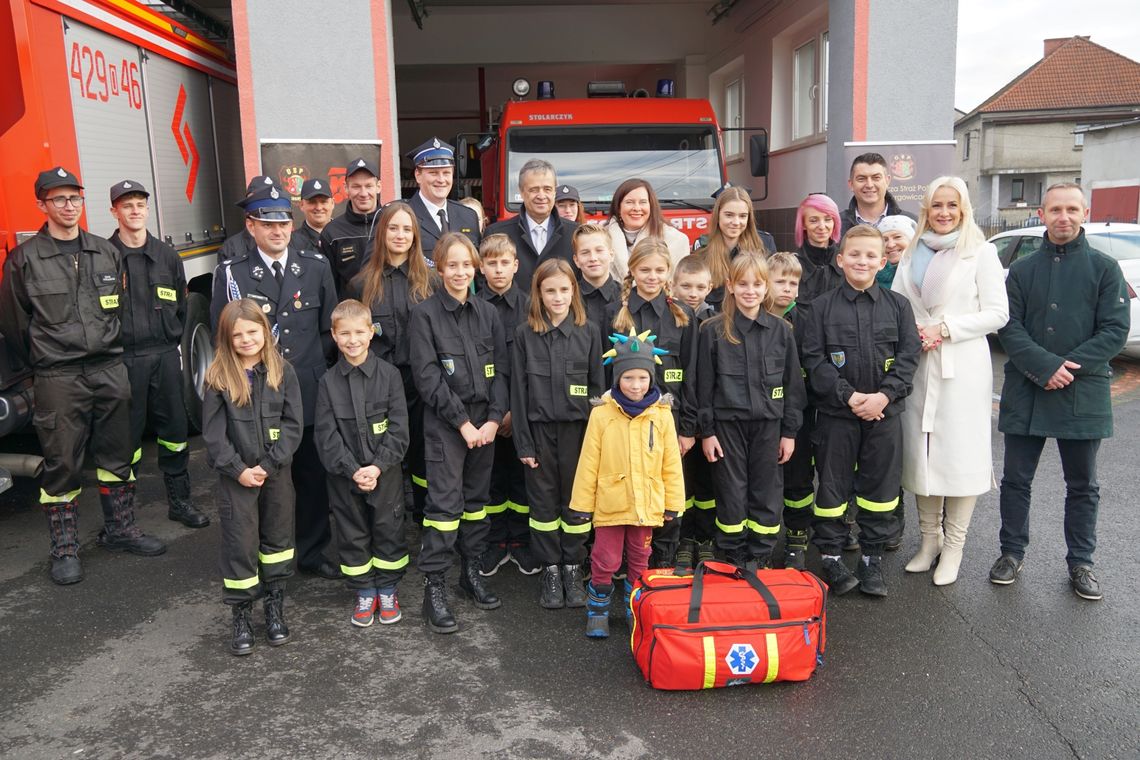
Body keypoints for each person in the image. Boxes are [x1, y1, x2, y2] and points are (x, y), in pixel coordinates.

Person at [0, 167, 165, 586]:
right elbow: (16, 325)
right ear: (43, 205)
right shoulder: (25, 260)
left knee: (117, 455)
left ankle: (121, 530)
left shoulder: (104, 252)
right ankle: (65, 548)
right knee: (63, 463)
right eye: (59, 200)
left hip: (110, 368)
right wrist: (45, 363)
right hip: (58, 376)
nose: (69, 206)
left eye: (75, 198)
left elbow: (118, 308)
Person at [990, 183, 1130, 601]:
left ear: (1084, 212)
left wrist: (1067, 367)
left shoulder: (1105, 269)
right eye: (1055, 209)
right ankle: (1011, 553)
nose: (1063, 217)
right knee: (1016, 480)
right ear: (1041, 212)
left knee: (1083, 484)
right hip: (1027, 389)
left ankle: (1081, 562)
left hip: (1081, 391)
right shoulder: (1023, 270)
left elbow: (1114, 331)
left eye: (1071, 209)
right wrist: (1045, 366)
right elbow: (1008, 326)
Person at [212, 184, 339, 580]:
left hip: (306, 389)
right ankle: (266, 556)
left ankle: (313, 552)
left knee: (311, 478)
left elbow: (327, 332)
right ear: (251, 226)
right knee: (264, 483)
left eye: (284, 222)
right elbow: (225, 340)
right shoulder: (232, 274)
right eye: (268, 224)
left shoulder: (315, 265)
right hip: (255, 399)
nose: (278, 231)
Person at [890, 177, 1008, 585]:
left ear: (963, 209)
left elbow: (997, 313)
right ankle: (929, 541)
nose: (943, 213)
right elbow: (896, 306)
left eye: (951, 206)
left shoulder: (981, 253)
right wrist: (911, 336)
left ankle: (954, 547)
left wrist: (946, 328)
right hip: (919, 364)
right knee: (921, 454)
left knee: (958, 456)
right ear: (925, 209)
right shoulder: (910, 254)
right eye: (936, 205)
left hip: (961, 366)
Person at [800, 224, 921, 597]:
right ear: (840, 260)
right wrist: (849, 397)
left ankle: (872, 559)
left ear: (883, 261)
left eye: (871, 255)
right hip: (837, 416)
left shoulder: (899, 306)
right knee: (832, 488)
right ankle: (833, 558)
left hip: (884, 414)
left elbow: (907, 357)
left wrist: (883, 397)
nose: (862, 261)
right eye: (854, 254)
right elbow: (814, 360)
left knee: (880, 490)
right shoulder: (820, 308)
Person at [409, 232, 509, 633]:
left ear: (476, 268)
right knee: (444, 509)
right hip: (447, 426)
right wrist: (463, 423)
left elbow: (502, 369)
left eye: (467, 265)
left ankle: (471, 574)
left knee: (476, 504)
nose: (460, 272)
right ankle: (434, 589)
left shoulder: (488, 314)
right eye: (452, 265)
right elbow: (427, 377)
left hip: (484, 424)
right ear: (439, 267)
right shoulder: (425, 315)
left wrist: (492, 419)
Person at [202, 299, 303, 655]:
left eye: (252, 331)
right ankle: (242, 614)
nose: (246, 340)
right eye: (237, 335)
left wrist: (271, 464)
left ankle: (274, 607)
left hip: (275, 474)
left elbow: (293, 425)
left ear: (265, 331)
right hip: (237, 479)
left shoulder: (282, 372)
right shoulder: (217, 378)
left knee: (277, 541)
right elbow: (214, 436)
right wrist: (238, 470)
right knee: (240, 545)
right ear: (226, 339)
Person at [107, 179, 208, 529]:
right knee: (125, 439)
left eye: (140, 205)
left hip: (164, 355)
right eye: (127, 206)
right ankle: (123, 517)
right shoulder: (104, 257)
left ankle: (180, 502)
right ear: (114, 212)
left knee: (174, 432)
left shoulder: (167, 255)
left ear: (147, 209)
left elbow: (180, 306)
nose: (135, 211)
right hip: (123, 360)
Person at [571, 330, 684, 638]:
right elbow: (588, 461)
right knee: (605, 558)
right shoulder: (602, 414)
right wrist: (582, 504)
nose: (636, 385)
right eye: (628, 378)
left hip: (646, 504)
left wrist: (673, 503)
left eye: (642, 378)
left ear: (652, 379)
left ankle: (635, 609)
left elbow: (671, 463)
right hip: (611, 503)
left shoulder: (661, 415)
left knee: (639, 558)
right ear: (617, 378)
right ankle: (597, 610)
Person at [698, 252, 805, 569]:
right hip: (727, 427)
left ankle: (760, 553)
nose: (750, 291)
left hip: (769, 427)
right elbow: (703, 386)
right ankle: (733, 551)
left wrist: (789, 433)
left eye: (757, 284)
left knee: (766, 491)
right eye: (742, 284)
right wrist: (707, 432)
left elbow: (792, 387)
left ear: (766, 286)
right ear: (729, 286)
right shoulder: (713, 330)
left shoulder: (781, 331)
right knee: (731, 489)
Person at [512, 258, 604, 608]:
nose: (558, 297)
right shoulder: (525, 334)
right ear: (538, 293)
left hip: (579, 435)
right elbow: (518, 396)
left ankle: (572, 565)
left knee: (577, 504)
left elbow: (598, 391)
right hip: (538, 434)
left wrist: (596, 444)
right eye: (550, 290)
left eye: (564, 289)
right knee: (543, 504)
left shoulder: (589, 331)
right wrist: (523, 442)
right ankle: (551, 568)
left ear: (574, 291)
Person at [315, 299, 411, 627]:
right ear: (334, 335)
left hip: (385, 474)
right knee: (352, 530)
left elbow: (399, 429)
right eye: (344, 333)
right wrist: (352, 469)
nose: (352, 340)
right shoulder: (327, 382)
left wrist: (378, 466)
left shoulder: (390, 376)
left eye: (359, 332)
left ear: (372, 333)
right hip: (345, 477)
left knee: (388, 527)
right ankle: (364, 591)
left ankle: (387, 588)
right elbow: (326, 436)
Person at [606, 239, 698, 569]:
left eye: (660, 270)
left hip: (670, 421)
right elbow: (607, 377)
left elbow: (693, 375)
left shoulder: (683, 316)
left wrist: (687, 429)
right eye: (645, 270)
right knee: (631, 488)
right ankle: (632, 564)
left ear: (668, 272)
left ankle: (665, 559)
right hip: (626, 422)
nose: (652, 276)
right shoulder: (616, 316)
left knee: (668, 490)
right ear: (631, 271)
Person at [345, 201, 436, 522]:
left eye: (407, 229)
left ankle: (426, 518)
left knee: (424, 458)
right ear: (382, 233)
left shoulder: (431, 282)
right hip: (379, 390)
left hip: (423, 388)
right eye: (393, 228)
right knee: (384, 455)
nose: (400, 235)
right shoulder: (361, 285)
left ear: (416, 235)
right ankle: (388, 524)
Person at [475, 234, 536, 577]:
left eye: (504, 263)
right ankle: (496, 541)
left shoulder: (530, 307)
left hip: (523, 411)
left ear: (516, 265)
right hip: (486, 413)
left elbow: (531, 365)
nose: (498, 270)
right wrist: (495, 415)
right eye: (491, 263)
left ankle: (522, 541)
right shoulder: (474, 308)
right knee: (492, 479)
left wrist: (514, 410)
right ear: (481, 268)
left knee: (522, 478)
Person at [765, 252, 815, 569]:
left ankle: (797, 538)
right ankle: (761, 544)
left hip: (799, 415)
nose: (787, 288)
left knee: (798, 478)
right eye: (780, 281)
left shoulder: (805, 321)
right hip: (762, 415)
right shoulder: (753, 319)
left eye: (793, 282)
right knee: (764, 481)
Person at [670, 256, 717, 572]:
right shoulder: (673, 320)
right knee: (682, 484)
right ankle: (684, 540)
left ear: (710, 288)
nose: (693, 293)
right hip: (684, 418)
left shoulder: (716, 322)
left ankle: (706, 539)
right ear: (673, 286)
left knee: (709, 484)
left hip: (711, 419)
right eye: (685, 286)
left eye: (700, 287)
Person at [484, 158, 578, 288]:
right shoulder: (496, 233)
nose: (541, 195)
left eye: (547, 189)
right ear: (521, 192)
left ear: (555, 192)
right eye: (534, 189)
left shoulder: (575, 233)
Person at [692, 186, 772, 311]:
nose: (736, 222)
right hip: (714, 323)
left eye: (742, 216)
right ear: (717, 215)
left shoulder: (764, 244)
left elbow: (771, 290)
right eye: (729, 215)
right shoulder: (702, 247)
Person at [406, 137, 481, 260]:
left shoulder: (468, 216)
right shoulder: (404, 216)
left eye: (446, 173)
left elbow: (476, 266)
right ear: (418, 175)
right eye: (434, 173)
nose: (441, 180)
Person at [603, 178, 689, 279]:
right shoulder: (601, 237)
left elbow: (678, 284)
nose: (637, 208)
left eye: (643, 202)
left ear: (651, 206)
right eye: (629, 202)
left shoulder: (675, 239)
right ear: (618, 207)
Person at [319, 157, 382, 293]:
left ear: (378, 187)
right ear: (346, 188)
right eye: (356, 186)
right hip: (350, 313)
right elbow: (329, 287)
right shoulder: (332, 232)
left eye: (368, 186)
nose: (363, 193)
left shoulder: (392, 225)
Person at [839, 152, 916, 235]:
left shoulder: (910, 222)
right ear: (851, 184)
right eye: (861, 179)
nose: (869, 185)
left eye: (876, 178)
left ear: (887, 181)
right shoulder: (837, 224)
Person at [216, 175, 280, 266]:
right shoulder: (231, 248)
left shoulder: (292, 242)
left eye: (271, 202)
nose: (266, 207)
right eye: (258, 201)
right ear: (247, 208)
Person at [793, 193, 844, 305]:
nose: (822, 226)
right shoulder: (791, 264)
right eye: (813, 220)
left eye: (827, 219)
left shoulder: (846, 262)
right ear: (803, 225)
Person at [572, 223, 620, 339]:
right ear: (576, 260)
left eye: (599, 250)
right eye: (585, 252)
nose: (593, 258)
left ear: (611, 255)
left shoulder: (627, 297)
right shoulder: (568, 299)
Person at [293, 178, 335, 252]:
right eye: (312, 202)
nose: (319, 208)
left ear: (332, 203)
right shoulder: (291, 242)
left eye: (323, 202)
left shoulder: (347, 235)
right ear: (301, 205)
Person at [877, 214, 916, 288]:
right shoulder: (870, 276)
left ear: (911, 240)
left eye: (897, 237)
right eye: (885, 240)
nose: (890, 245)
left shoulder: (925, 272)